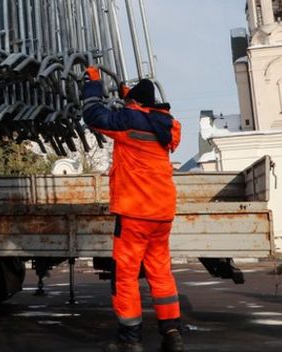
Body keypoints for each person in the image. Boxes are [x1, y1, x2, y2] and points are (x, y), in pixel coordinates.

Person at [82, 67, 185, 352]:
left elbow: (93, 116)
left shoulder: (129, 121)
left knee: (126, 276)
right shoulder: (166, 126)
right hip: (162, 214)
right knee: (160, 273)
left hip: (134, 213)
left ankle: (130, 341)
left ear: (136, 105)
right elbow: (142, 115)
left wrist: (93, 84)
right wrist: (131, 99)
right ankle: (172, 333)